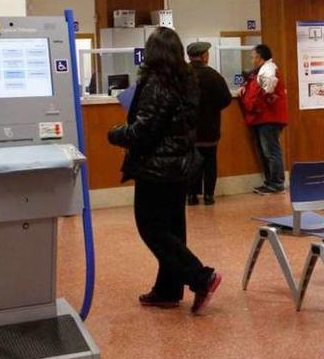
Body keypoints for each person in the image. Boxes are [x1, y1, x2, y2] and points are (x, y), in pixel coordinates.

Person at [108, 27, 221, 315]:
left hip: (156, 169)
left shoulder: (158, 82)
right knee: (172, 229)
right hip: (181, 165)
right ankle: (168, 290)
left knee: (152, 228)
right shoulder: (187, 80)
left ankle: (201, 277)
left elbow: (145, 130)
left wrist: (117, 134)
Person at [186, 41, 232, 206]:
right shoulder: (214, 76)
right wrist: (212, 109)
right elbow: (226, 99)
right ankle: (208, 196)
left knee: (191, 161)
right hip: (210, 127)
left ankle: (191, 195)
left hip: (188, 128)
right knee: (210, 161)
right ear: (204, 56)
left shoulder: (183, 75)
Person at [239, 44, 288, 194]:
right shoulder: (259, 72)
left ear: (260, 58)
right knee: (266, 151)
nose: (252, 60)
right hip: (262, 118)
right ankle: (270, 182)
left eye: (253, 57)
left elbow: (267, 89)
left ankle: (277, 183)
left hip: (269, 118)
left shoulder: (268, 70)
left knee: (271, 151)